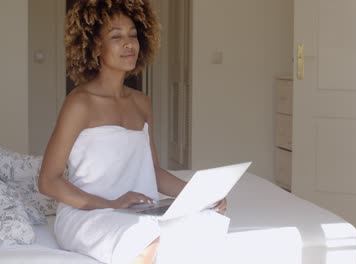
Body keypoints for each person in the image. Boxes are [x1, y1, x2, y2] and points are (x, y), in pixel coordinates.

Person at [38, 1, 226, 264]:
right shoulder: (79, 103)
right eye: (116, 36)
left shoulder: (141, 102)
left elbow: (154, 171)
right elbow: (48, 180)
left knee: (210, 223)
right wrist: (111, 204)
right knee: (146, 240)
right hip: (89, 213)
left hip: (138, 210)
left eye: (133, 35)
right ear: (94, 47)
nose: (129, 44)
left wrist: (201, 197)